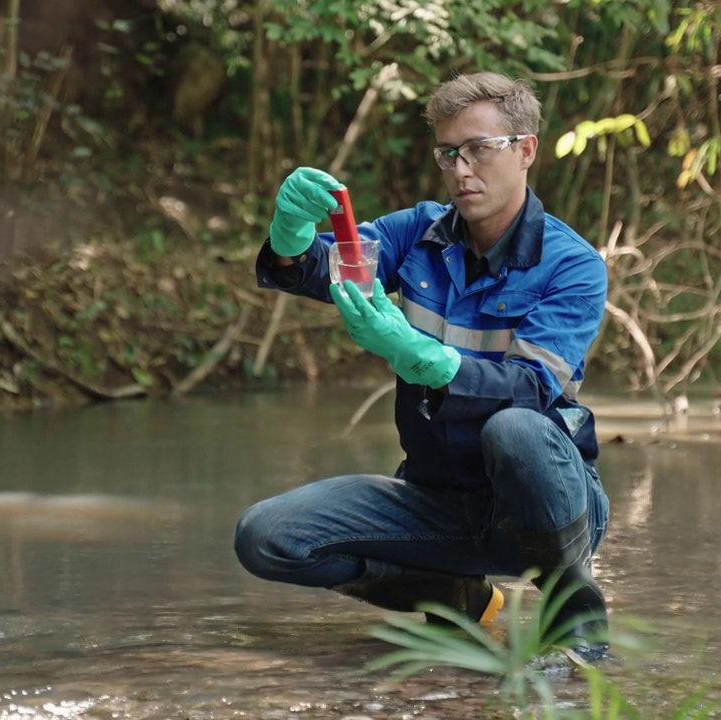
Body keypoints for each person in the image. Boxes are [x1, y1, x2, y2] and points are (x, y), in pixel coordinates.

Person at [233, 72, 610, 656]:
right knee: (268, 537)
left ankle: (572, 611)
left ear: (526, 150)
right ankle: (455, 597)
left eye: (480, 149)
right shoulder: (418, 233)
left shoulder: (572, 265)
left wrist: (420, 354)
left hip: (546, 507)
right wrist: (292, 233)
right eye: (449, 153)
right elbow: (326, 267)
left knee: (515, 428)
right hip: (435, 497)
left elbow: (531, 392)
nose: (462, 169)